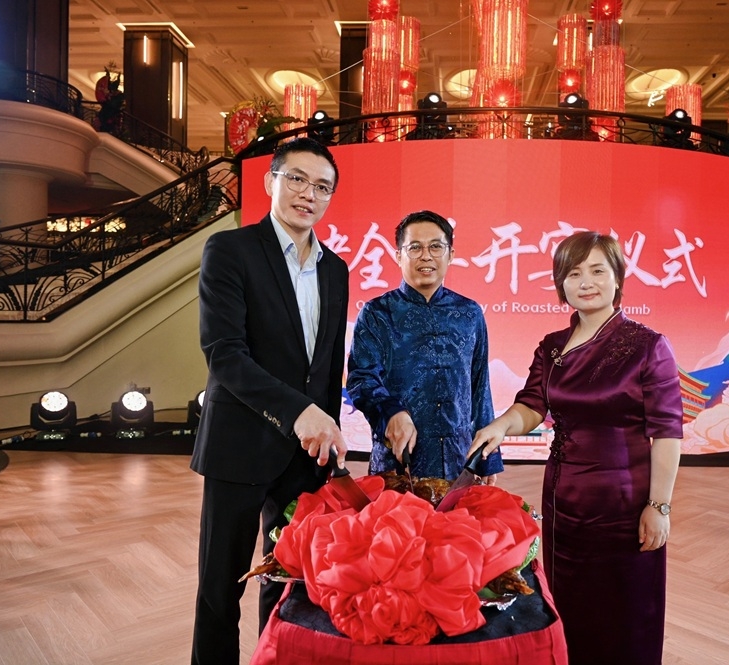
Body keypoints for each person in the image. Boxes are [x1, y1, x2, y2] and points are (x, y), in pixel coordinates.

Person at [470, 231, 683, 664]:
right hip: (563, 499)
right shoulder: (551, 346)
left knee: (626, 609)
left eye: (597, 271)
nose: (586, 282)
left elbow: (667, 432)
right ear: (560, 284)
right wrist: (502, 425)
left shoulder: (647, 346)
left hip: (624, 502)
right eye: (573, 273)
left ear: (617, 278)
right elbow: (532, 405)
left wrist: (658, 506)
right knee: (570, 604)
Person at [190, 137, 350, 664]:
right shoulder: (231, 250)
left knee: (285, 584)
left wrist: (326, 430)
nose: (309, 194)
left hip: (303, 456)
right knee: (221, 588)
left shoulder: (336, 269)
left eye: (322, 187)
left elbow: (325, 362)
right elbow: (224, 353)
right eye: (298, 179)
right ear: (271, 182)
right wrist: (299, 412)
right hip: (240, 444)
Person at [346, 210, 503, 482]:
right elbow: (361, 379)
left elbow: (480, 387)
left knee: (459, 525)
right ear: (398, 256)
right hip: (398, 461)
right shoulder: (377, 313)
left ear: (451, 254)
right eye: (415, 247)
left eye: (436, 247)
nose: (426, 256)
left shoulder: (470, 313)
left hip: (459, 461)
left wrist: (488, 459)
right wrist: (391, 412)